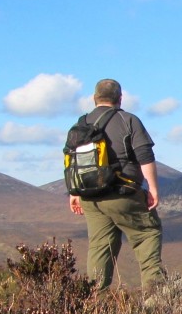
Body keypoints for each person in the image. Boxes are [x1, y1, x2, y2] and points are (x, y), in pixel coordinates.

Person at [67, 79, 166, 292]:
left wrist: (74, 193)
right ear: (120, 99)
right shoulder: (128, 120)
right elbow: (144, 156)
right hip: (123, 193)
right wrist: (153, 189)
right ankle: (155, 301)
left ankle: (95, 308)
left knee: (100, 247)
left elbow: (72, 160)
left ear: (94, 99)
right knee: (148, 234)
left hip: (90, 197)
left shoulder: (81, 124)